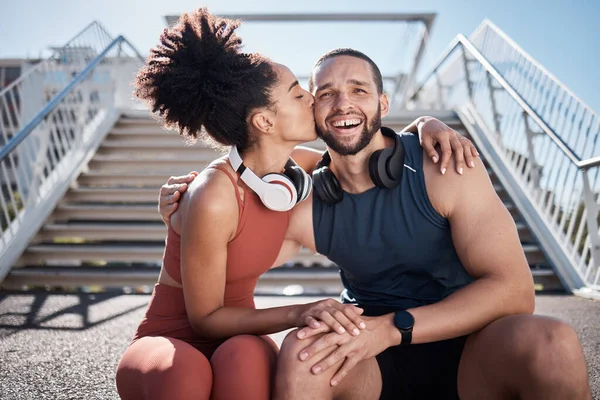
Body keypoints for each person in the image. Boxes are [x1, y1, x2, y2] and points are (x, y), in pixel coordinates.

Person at [161, 48, 592, 399]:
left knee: (553, 342)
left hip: (470, 349)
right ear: (312, 109)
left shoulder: (443, 164)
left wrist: (390, 329)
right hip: (368, 358)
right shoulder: (301, 196)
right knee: (303, 351)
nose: (343, 103)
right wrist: (185, 209)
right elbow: (234, 225)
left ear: (382, 104)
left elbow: (515, 291)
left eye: (359, 90)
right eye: (325, 93)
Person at [116, 9, 476, 400]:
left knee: (246, 361)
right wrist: (299, 311)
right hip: (173, 338)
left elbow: (370, 147)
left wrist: (426, 124)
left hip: (235, 335)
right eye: (298, 94)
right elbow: (203, 320)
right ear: (265, 123)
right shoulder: (216, 194)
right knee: (184, 376)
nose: (313, 100)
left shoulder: (295, 170)